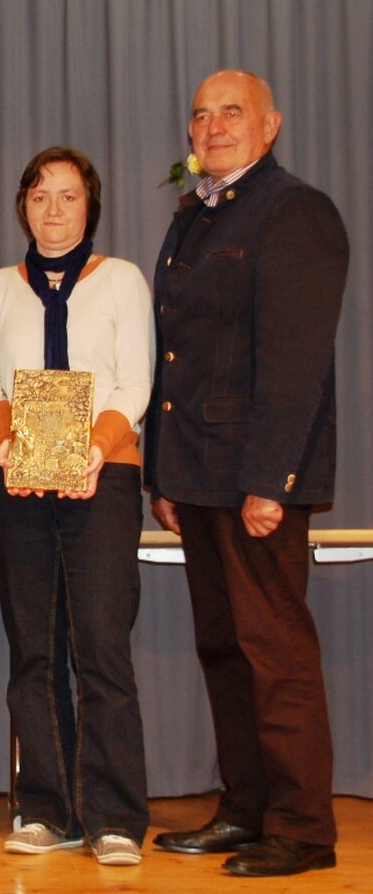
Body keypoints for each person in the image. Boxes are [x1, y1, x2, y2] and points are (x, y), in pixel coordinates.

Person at [146, 70, 348, 877]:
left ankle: (302, 828)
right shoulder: (197, 215)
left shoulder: (293, 210)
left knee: (278, 655)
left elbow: (296, 363)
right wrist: (165, 475)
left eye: (231, 112)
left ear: (271, 125)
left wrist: (273, 479)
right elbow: (178, 358)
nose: (213, 125)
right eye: (200, 113)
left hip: (254, 479)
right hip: (196, 476)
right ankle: (245, 808)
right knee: (225, 650)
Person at [0, 147, 154, 866]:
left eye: (68, 196)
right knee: (34, 649)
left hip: (103, 475)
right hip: (15, 477)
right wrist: (10, 437)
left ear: (91, 206)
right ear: (23, 205)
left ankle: (113, 815)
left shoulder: (123, 281)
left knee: (102, 645)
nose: (53, 209)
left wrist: (97, 447)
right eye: (40, 195)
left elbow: (134, 380)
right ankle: (47, 809)